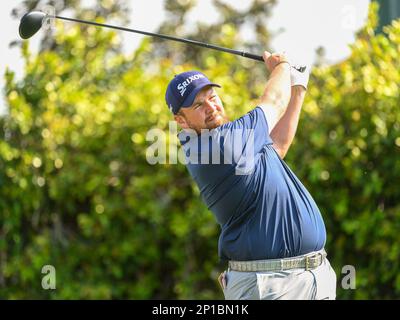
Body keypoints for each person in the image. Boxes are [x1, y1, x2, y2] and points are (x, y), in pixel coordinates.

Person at [164, 51, 337, 300]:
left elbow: (277, 146)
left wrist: (297, 88)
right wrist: (282, 66)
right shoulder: (216, 146)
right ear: (181, 120)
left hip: (313, 277)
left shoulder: (237, 141)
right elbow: (275, 101)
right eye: (198, 105)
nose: (211, 107)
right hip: (267, 284)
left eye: (212, 97)